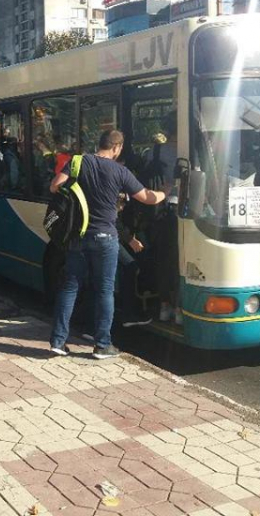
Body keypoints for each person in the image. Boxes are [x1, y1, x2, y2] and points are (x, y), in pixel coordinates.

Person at [48, 130, 166, 359]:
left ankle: (57, 341)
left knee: (70, 287)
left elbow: (55, 186)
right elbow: (148, 198)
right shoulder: (120, 171)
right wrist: (166, 192)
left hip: (77, 236)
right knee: (105, 290)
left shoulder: (78, 162)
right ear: (117, 147)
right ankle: (102, 345)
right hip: (105, 238)